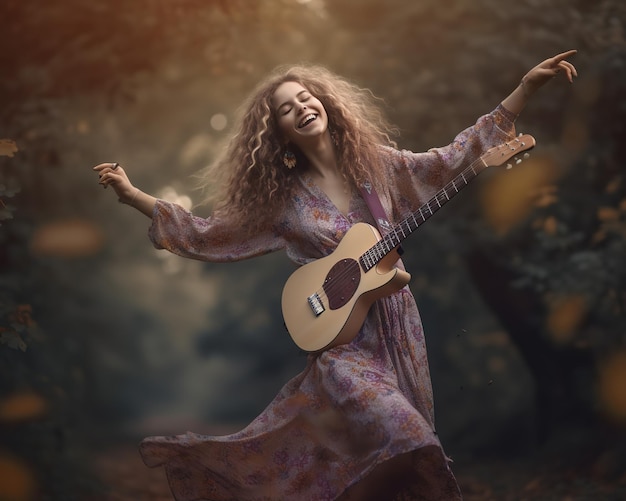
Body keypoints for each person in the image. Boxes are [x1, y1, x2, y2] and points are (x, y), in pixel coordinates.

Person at [94, 50, 578, 500]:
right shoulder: (280, 203)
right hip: (343, 348)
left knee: (411, 452)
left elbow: (450, 159)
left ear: (324, 103)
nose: (301, 107)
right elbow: (209, 233)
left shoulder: (379, 167)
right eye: (286, 109)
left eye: (305, 97)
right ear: (279, 133)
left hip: (396, 329)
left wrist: (524, 89)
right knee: (406, 434)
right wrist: (134, 195)